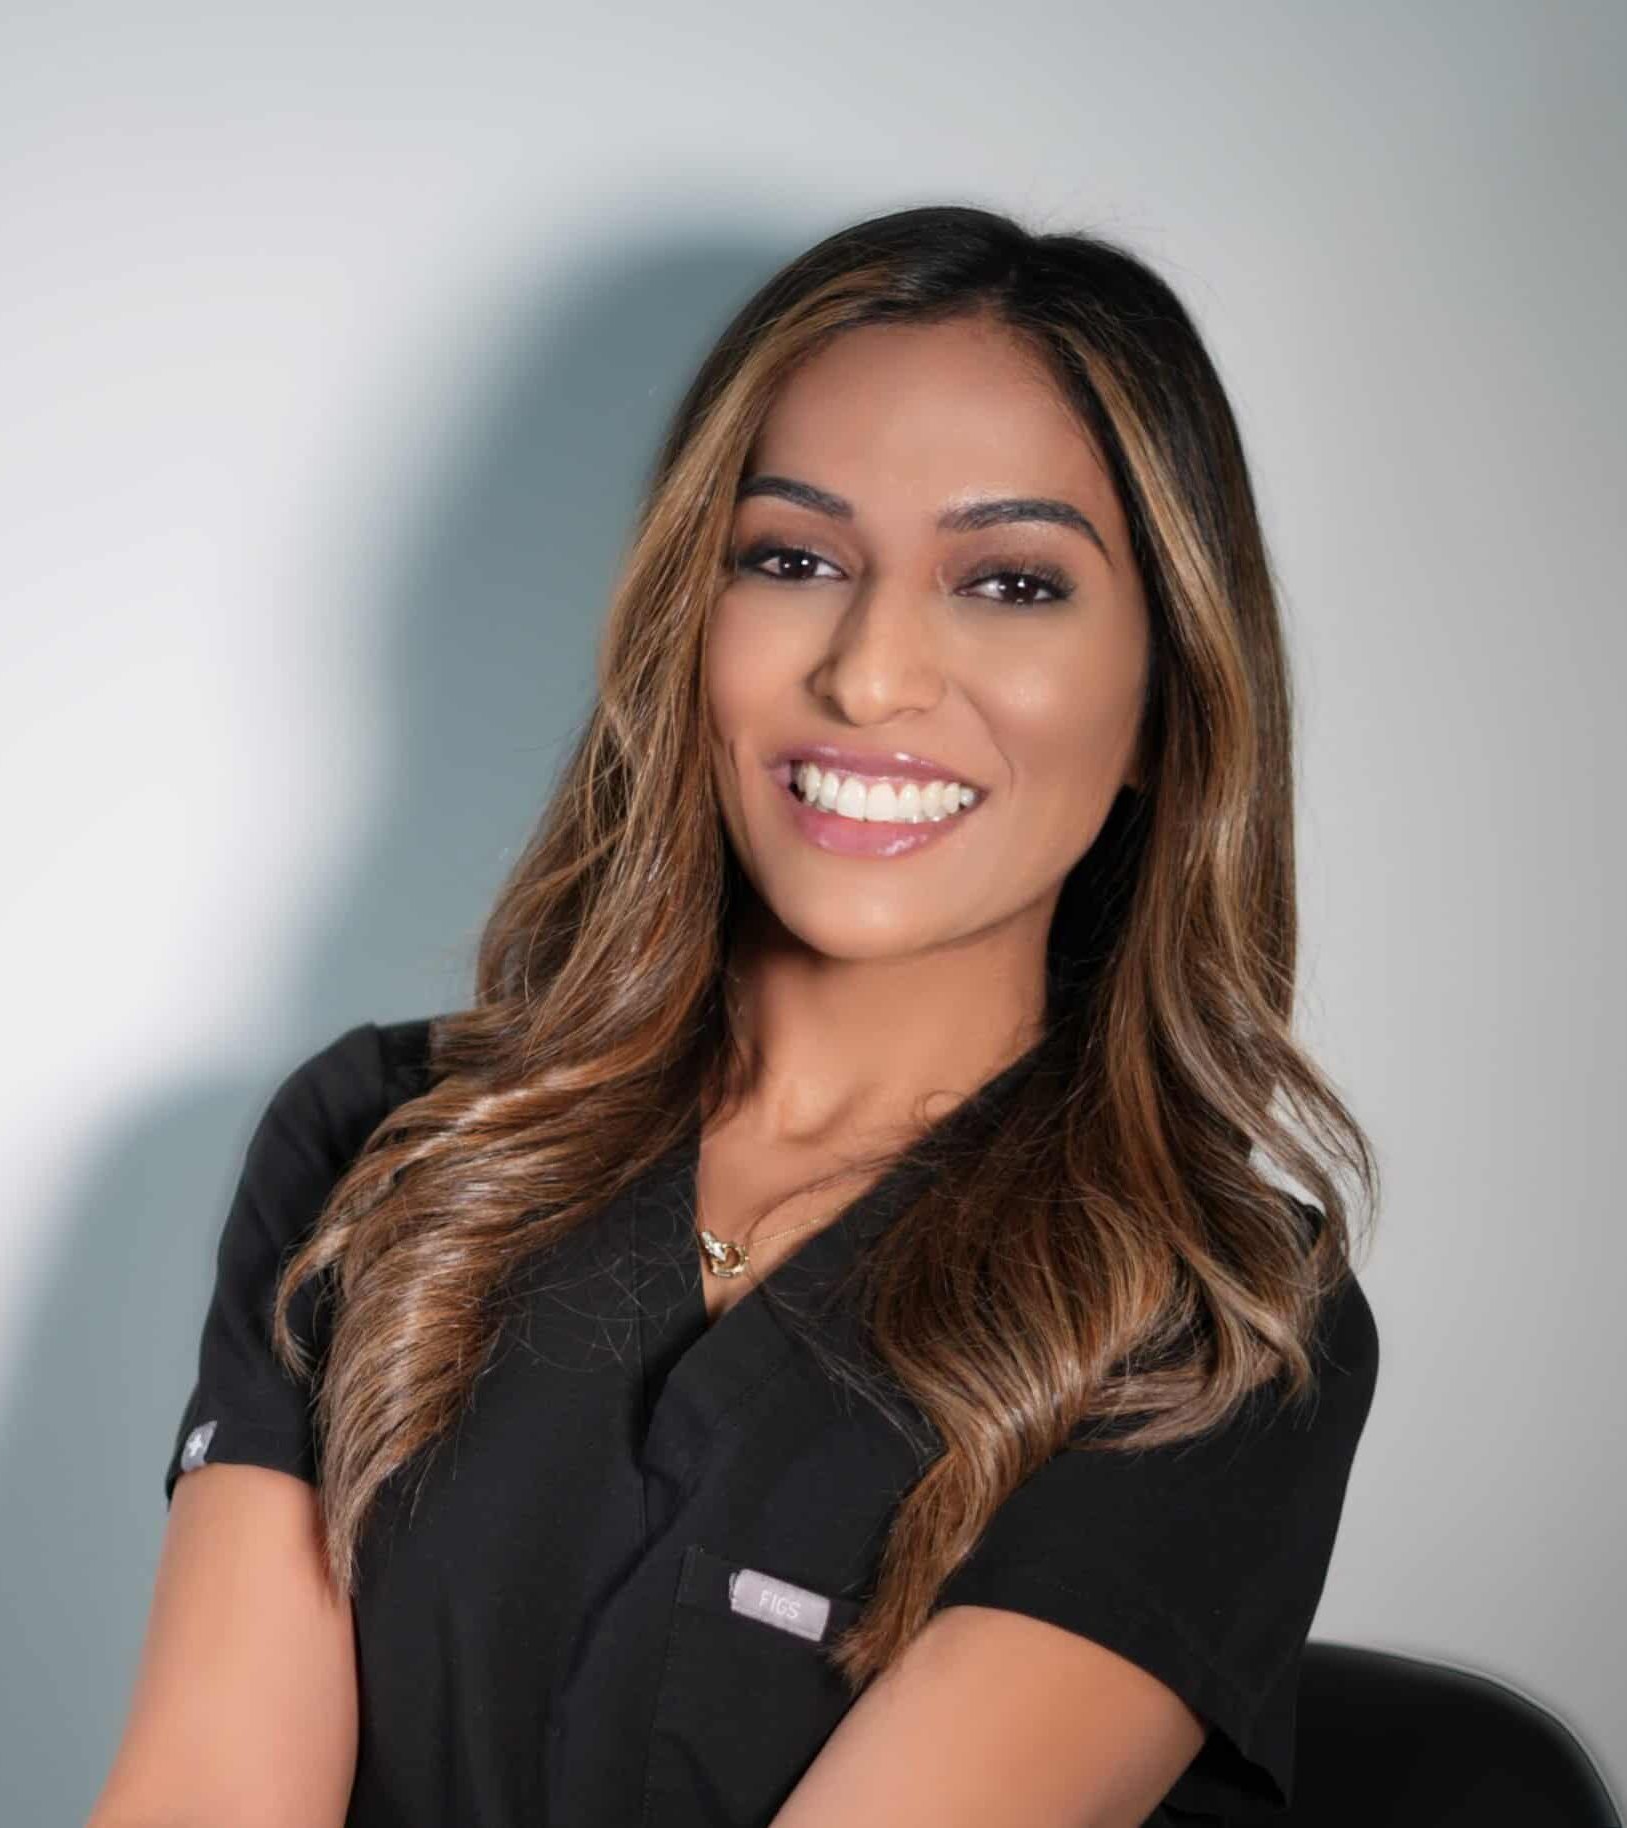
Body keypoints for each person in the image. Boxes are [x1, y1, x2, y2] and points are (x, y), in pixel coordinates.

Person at [89, 203, 1381, 1828]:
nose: (869, 672)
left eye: (1010, 581)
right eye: (793, 559)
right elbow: (205, 1798)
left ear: (1161, 704)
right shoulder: (387, 1144)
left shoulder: (1213, 1326)